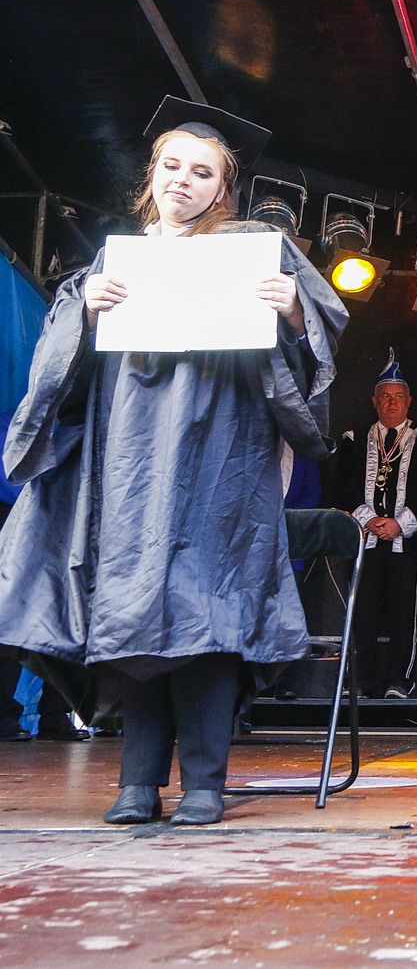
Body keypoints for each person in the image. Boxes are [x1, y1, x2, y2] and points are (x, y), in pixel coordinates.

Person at [0, 97, 344, 825]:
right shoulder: (118, 260)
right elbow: (64, 366)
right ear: (151, 175)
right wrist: (84, 309)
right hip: (131, 459)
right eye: (172, 166)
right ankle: (137, 780)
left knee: (207, 611)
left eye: (202, 172)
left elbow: (319, 341)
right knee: (136, 607)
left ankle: (206, 782)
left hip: (223, 457)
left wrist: (292, 310)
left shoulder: (259, 249)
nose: (183, 180)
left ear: (224, 189)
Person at [328, 353, 417, 698]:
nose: (391, 402)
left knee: (402, 613)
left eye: (398, 396)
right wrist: (369, 519)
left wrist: (399, 524)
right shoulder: (354, 438)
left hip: (405, 541)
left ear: (409, 401)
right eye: (385, 396)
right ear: (374, 401)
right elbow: (343, 486)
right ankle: (358, 680)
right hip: (363, 540)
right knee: (361, 612)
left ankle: (399, 680)